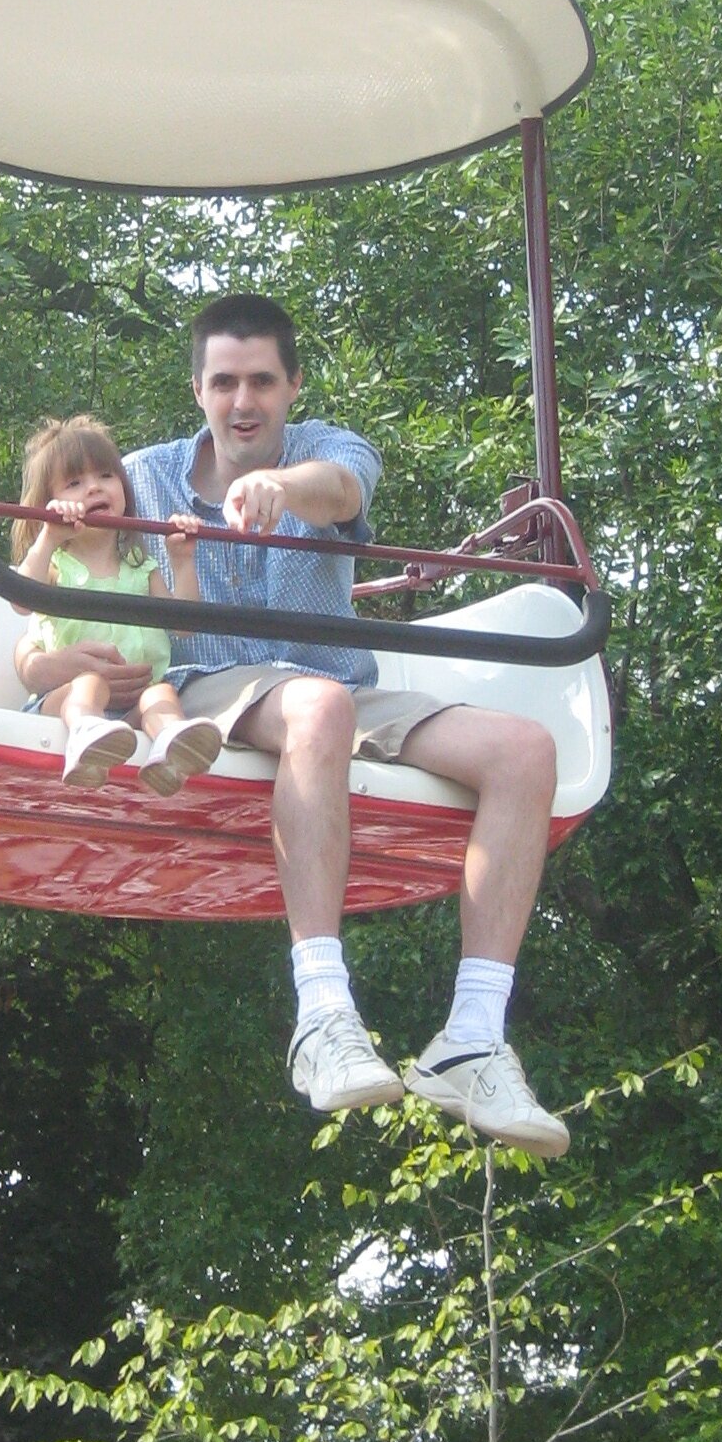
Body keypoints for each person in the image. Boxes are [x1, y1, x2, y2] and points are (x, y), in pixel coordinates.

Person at [127, 295, 570, 1156]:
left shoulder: (331, 449)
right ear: (197, 391)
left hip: (331, 685)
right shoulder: (144, 476)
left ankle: (473, 1038)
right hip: (202, 686)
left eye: (263, 382)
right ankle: (323, 1013)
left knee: (525, 750)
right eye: (225, 383)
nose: (243, 402)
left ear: (293, 386)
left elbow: (338, 491)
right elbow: (71, 530)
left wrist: (279, 488)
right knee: (316, 705)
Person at [12, 414, 224, 794]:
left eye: (106, 475)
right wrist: (48, 535)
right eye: (74, 483)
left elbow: (185, 625)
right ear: (49, 504)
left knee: (161, 693)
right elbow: (21, 600)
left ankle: (171, 748)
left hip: (131, 704)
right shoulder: (57, 565)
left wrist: (182, 562)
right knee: (90, 683)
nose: (94, 487)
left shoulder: (141, 569)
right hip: (64, 700)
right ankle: (85, 734)